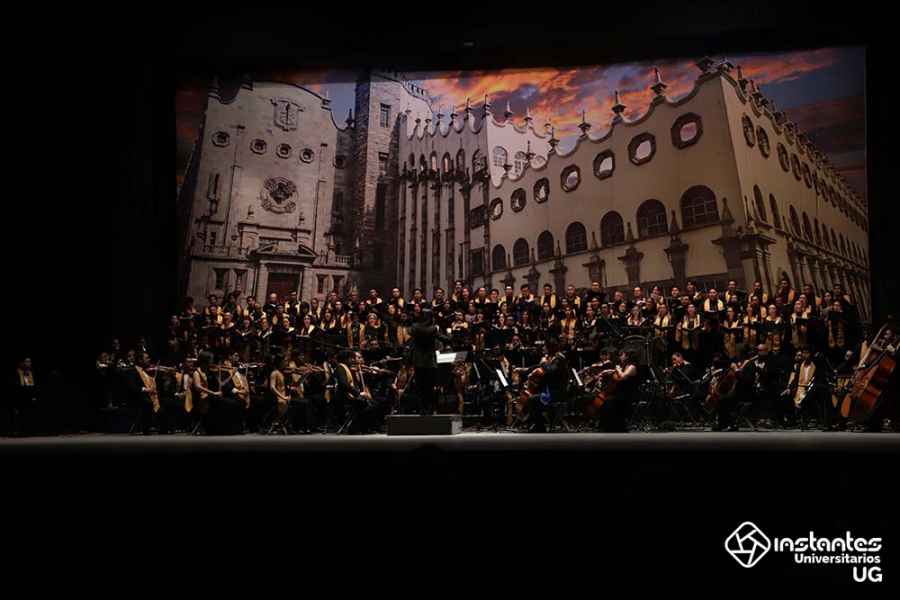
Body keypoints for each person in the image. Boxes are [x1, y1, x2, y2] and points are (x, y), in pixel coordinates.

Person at [408, 309, 450, 416]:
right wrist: (450, 334)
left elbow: (411, 332)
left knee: (420, 386)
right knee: (429, 387)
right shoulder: (433, 329)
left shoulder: (415, 327)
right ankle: (429, 409)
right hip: (429, 362)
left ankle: (422, 409)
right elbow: (445, 339)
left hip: (418, 361)